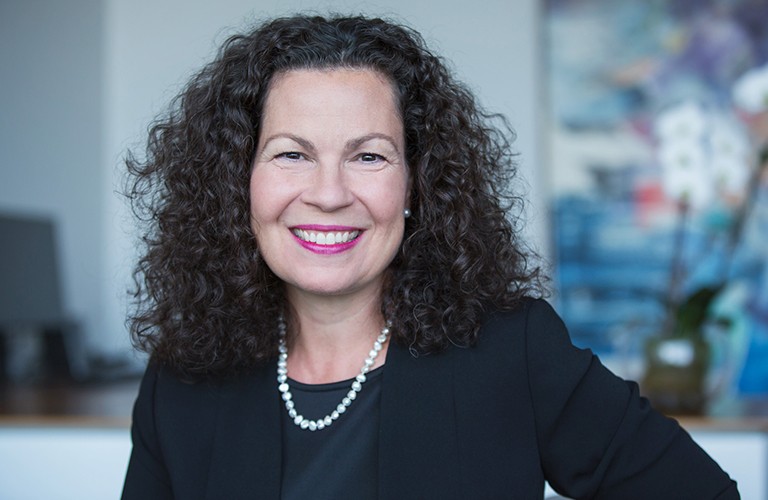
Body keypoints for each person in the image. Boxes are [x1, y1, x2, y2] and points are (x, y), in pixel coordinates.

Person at [121, 13, 739, 499]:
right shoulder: (179, 382)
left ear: (417, 184)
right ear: (239, 182)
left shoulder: (513, 352)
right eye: (291, 154)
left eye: (369, 156)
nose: (330, 194)